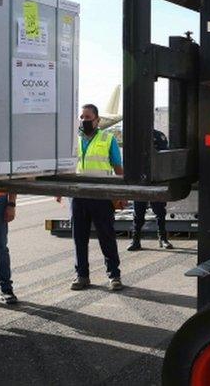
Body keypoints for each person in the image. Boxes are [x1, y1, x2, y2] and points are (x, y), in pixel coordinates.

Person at [69, 104, 124, 291]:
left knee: (106, 237)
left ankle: (114, 275)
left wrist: (121, 194)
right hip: (78, 196)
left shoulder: (108, 139)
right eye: (82, 117)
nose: (84, 120)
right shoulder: (73, 140)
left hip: (101, 196)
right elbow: (67, 167)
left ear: (97, 120)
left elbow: (118, 169)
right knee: (79, 238)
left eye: (88, 117)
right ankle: (82, 275)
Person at [128, 130, 172, 251]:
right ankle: (135, 240)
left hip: (155, 180)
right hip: (140, 181)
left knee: (160, 211)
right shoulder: (135, 137)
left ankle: (163, 239)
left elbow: (164, 157)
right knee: (138, 212)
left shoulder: (158, 136)